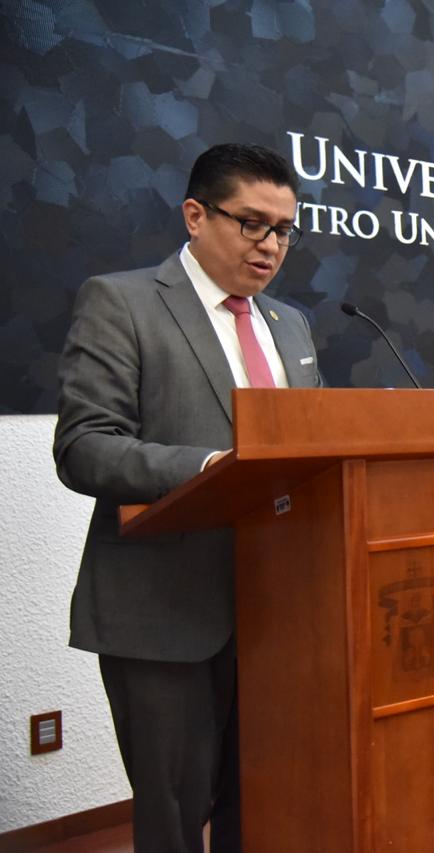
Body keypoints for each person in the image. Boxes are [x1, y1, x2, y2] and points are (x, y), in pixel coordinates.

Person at [52, 143, 321, 852]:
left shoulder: (290, 325)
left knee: (262, 797)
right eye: (252, 224)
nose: (271, 246)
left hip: (276, 609)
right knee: (173, 815)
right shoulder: (123, 301)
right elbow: (85, 445)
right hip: (161, 606)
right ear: (196, 215)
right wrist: (210, 465)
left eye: (285, 229)